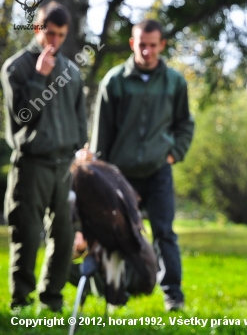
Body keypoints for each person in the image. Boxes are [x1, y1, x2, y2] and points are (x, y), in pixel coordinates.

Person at [90, 19, 194, 311]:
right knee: (117, 234)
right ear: (132, 44)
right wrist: (100, 175)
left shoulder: (175, 81)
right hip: (119, 176)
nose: (147, 51)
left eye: (152, 45)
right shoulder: (114, 81)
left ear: (161, 45)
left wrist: (173, 154)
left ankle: (173, 295)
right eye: (141, 44)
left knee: (164, 233)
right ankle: (115, 293)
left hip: (158, 171)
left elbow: (185, 124)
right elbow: (101, 135)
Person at [1, 1, 88, 311]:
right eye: (49, 33)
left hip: (64, 167)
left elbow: (80, 121)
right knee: (25, 234)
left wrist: (80, 150)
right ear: (38, 28)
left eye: (61, 35)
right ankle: (20, 301)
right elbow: (21, 116)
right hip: (31, 165)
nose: (54, 41)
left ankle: (51, 300)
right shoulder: (16, 67)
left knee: (64, 238)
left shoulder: (72, 71)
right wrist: (40, 78)